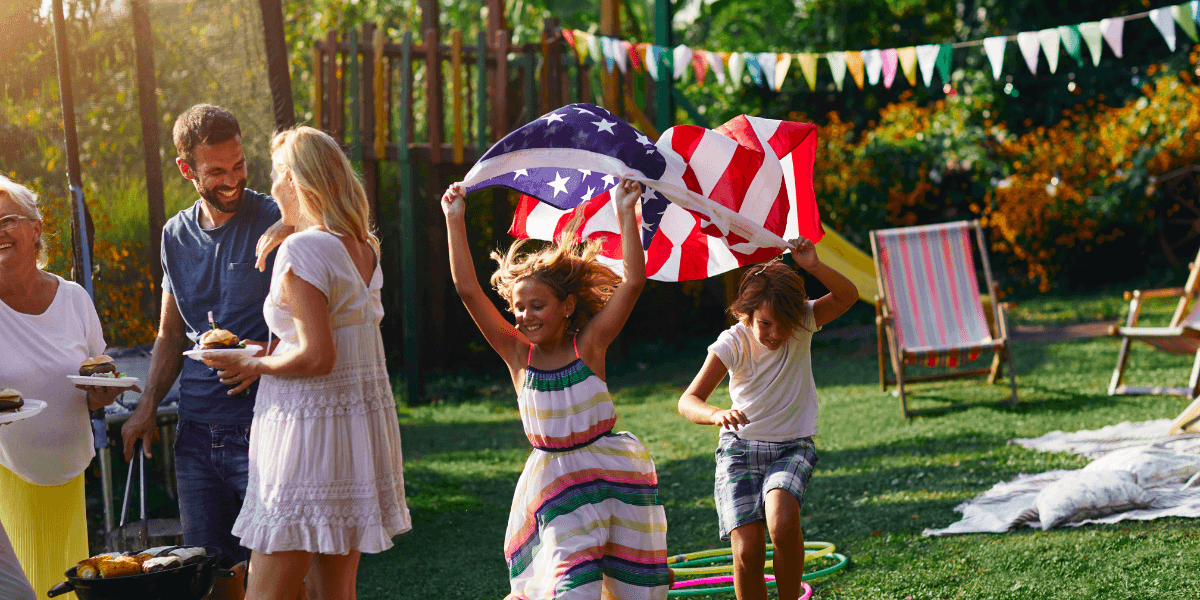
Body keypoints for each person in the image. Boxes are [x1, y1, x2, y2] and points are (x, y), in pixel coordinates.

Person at [200, 126, 410, 600]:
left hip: (304, 442)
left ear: (294, 180)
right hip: (347, 439)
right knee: (334, 593)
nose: (270, 188)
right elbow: (327, 340)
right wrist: (291, 224)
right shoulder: (361, 246)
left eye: (277, 175)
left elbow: (317, 356)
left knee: (264, 596)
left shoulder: (303, 250)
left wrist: (252, 366)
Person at [440, 179, 671, 600]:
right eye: (519, 306)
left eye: (537, 306)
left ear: (566, 307)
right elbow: (468, 291)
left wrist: (625, 210)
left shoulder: (590, 346)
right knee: (572, 588)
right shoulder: (517, 354)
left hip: (612, 477)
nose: (525, 315)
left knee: (633, 589)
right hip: (556, 484)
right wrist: (454, 219)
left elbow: (633, 282)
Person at [120, 104, 280, 589]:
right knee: (209, 577)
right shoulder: (175, 235)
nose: (232, 181)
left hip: (263, 426)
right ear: (187, 169)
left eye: (239, 166)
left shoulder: (274, 217)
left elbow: (310, 319)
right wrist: (146, 408)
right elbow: (170, 334)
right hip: (195, 435)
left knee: (276, 575)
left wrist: (264, 361)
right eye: (216, 172)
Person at [676, 241, 857, 600]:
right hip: (740, 449)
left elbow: (848, 296)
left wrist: (815, 265)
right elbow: (688, 400)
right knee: (747, 551)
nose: (776, 333)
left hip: (792, 446)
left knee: (783, 521)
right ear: (747, 313)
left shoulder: (804, 321)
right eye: (766, 324)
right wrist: (717, 414)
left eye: (784, 324)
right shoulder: (733, 342)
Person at [0, 175, 137, 596]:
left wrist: (102, 395)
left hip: (67, 471)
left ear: (36, 227)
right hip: (8, 473)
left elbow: (96, 375)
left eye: (7, 220)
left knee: (66, 586)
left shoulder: (74, 298)